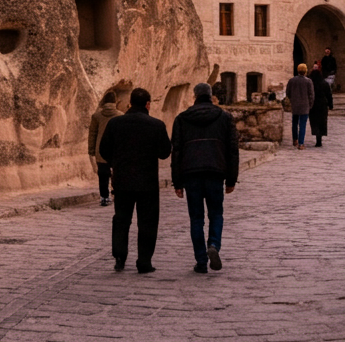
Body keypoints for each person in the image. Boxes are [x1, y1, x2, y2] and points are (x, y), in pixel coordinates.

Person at [98, 87, 171, 273]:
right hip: (147, 182)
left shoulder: (115, 124)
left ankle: (120, 256)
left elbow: (104, 151)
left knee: (122, 220)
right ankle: (144, 261)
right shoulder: (156, 125)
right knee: (147, 222)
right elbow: (164, 153)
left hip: (122, 180)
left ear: (130, 103)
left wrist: (117, 162)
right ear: (148, 104)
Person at [171, 83, 239, 273]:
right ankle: (214, 245)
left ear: (194, 96)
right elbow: (232, 150)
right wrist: (231, 179)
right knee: (216, 214)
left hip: (191, 173)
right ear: (211, 96)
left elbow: (176, 151)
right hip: (215, 172)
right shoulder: (224, 117)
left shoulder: (182, 119)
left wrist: (177, 182)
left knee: (196, 219)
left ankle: (201, 261)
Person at [87, 91, 120, 206]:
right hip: (117, 149)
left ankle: (104, 197)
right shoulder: (121, 115)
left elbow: (92, 134)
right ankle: (116, 193)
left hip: (100, 149)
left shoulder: (97, 116)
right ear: (115, 102)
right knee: (117, 173)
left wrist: (91, 150)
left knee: (103, 174)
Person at [286, 64, 315, 150]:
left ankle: (295, 140)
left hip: (295, 104)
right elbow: (311, 94)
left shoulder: (292, 80)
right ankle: (301, 143)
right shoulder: (308, 81)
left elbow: (288, 92)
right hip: (305, 105)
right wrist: (310, 104)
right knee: (302, 125)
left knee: (294, 123)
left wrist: (292, 99)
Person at [309, 68, 332, 147]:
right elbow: (329, 95)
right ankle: (319, 138)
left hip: (313, 105)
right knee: (321, 121)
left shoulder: (311, 83)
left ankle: (317, 136)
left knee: (315, 121)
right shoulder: (324, 83)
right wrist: (330, 105)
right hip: (322, 104)